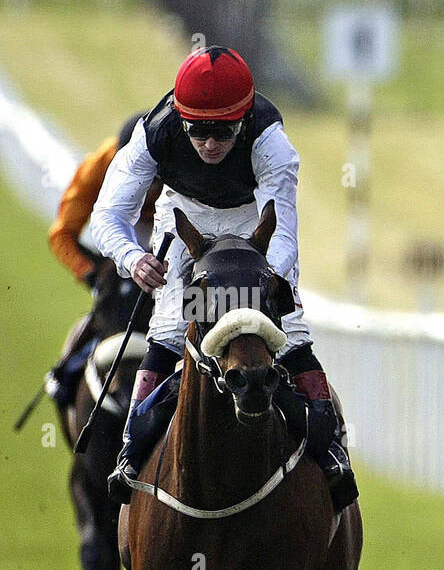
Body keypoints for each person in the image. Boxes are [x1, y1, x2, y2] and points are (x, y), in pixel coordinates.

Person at [91, 45, 357, 509]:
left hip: (253, 225)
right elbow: (108, 215)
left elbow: (284, 230)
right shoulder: (152, 135)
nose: (210, 144)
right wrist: (134, 258)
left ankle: (329, 447)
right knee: (173, 331)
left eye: (224, 132)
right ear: (181, 116)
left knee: (286, 332)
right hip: (185, 222)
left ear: (245, 117)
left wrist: (267, 282)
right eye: (198, 131)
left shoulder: (271, 139)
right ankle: (132, 448)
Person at [44, 112, 154, 412]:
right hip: (117, 234)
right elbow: (62, 233)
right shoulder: (99, 165)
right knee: (111, 302)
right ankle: (68, 368)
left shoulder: (181, 168)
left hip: (163, 233)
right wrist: (91, 274)